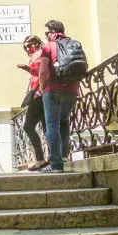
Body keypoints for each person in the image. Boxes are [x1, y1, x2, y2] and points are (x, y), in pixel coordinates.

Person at [39, 20, 80, 173]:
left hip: (53, 90)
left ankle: (56, 164)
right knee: (64, 122)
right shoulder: (74, 44)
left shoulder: (48, 46)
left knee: (52, 126)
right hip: (72, 91)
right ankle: (63, 157)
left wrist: (42, 88)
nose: (46, 36)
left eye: (46, 33)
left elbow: (43, 71)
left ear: (52, 32)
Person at [17, 35, 48, 171]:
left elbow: (42, 73)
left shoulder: (40, 54)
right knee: (46, 126)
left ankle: (41, 158)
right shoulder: (39, 54)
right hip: (42, 94)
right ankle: (50, 157)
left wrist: (25, 67)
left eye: (29, 45)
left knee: (28, 126)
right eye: (25, 47)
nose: (27, 49)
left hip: (39, 95)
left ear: (37, 43)